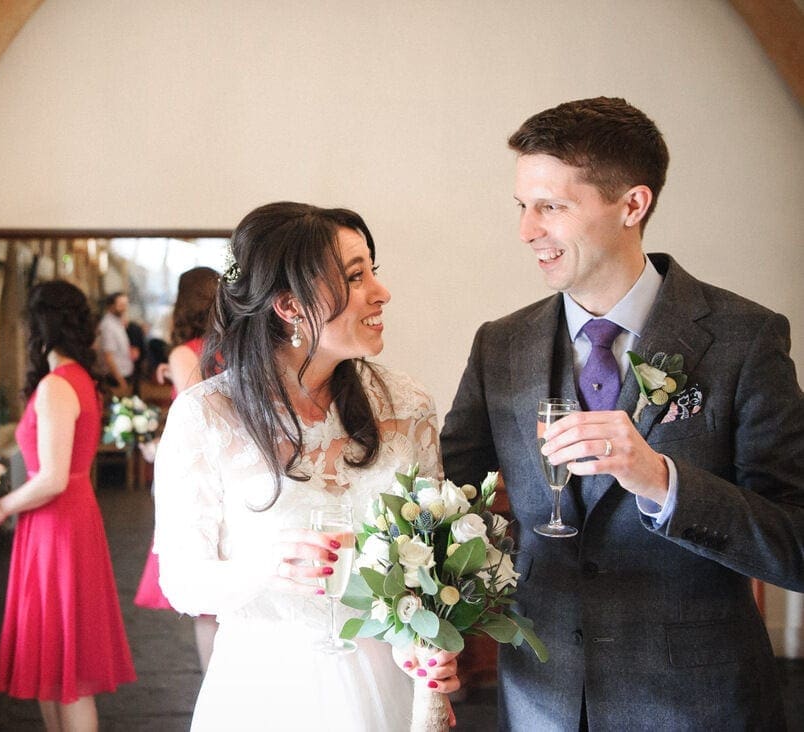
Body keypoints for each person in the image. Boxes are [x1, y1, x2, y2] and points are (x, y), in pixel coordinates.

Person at [440, 97, 804, 729]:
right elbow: (449, 502)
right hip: (541, 702)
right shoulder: (499, 345)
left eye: (552, 206)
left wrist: (663, 482)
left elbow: (797, 542)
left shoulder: (746, 340)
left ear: (633, 205)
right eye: (522, 206)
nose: (528, 229)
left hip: (698, 706)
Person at [153, 202, 460, 730]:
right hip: (266, 689)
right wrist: (264, 564)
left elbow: (429, 558)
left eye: (373, 271)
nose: (381, 292)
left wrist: (428, 645)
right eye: (355, 276)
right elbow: (181, 581)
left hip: (385, 687)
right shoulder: (206, 415)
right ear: (290, 306)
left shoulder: (406, 404)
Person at [0, 280, 135, 731]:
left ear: (39, 327)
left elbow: (52, 477)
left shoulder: (58, 386)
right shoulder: (79, 380)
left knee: (69, 668)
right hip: (62, 520)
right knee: (52, 662)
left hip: (58, 524)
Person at [134, 266, 221, 671]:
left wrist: (155, 450)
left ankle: (215, 689)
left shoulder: (186, 351)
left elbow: (195, 423)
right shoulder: (233, 348)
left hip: (203, 479)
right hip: (235, 474)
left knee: (207, 601)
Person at [97, 291, 134, 394]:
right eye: (120, 305)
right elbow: (108, 356)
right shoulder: (108, 326)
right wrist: (121, 381)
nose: (124, 308)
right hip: (116, 377)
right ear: (111, 306)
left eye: (125, 305)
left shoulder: (117, 322)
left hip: (124, 373)